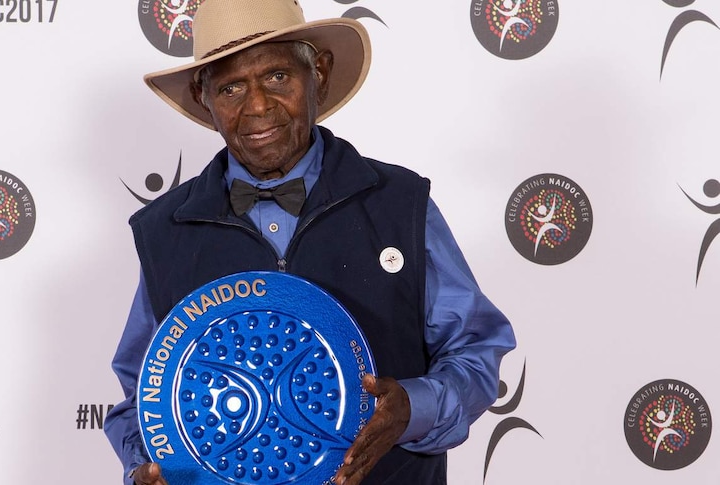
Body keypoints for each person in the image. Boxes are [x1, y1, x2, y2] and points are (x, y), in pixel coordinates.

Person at [104, 0, 516, 484]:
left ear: (318, 73)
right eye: (231, 87)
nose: (257, 106)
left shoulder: (400, 204)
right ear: (203, 98)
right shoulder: (164, 232)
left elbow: (476, 349)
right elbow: (140, 399)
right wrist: (143, 469)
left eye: (278, 77)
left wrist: (413, 407)